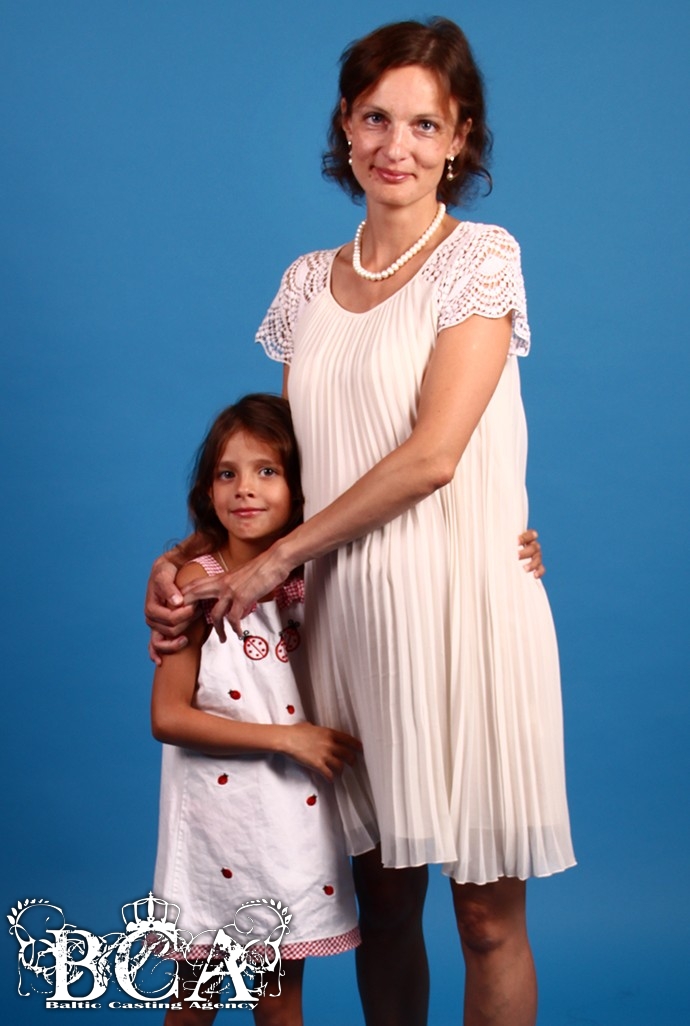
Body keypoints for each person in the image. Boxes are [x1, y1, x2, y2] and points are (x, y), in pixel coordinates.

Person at [146, 17, 575, 1026]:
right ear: (345, 123)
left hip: (466, 618)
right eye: (376, 117)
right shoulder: (306, 284)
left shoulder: (480, 258)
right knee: (383, 907)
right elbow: (283, 472)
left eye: (425, 124)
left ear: (460, 137)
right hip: (343, 629)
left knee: (485, 918)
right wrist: (188, 561)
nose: (397, 146)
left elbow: (433, 457)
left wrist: (273, 564)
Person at [150, 394, 362, 1026]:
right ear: (207, 490)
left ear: (301, 488)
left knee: (279, 1001)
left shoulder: (317, 575)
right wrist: (289, 739)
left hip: (290, 821)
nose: (245, 488)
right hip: (214, 824)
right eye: (227, 473)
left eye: (267, 470)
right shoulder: (194, 584)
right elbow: (168, 717)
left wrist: (514, 551)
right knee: (195, 995)